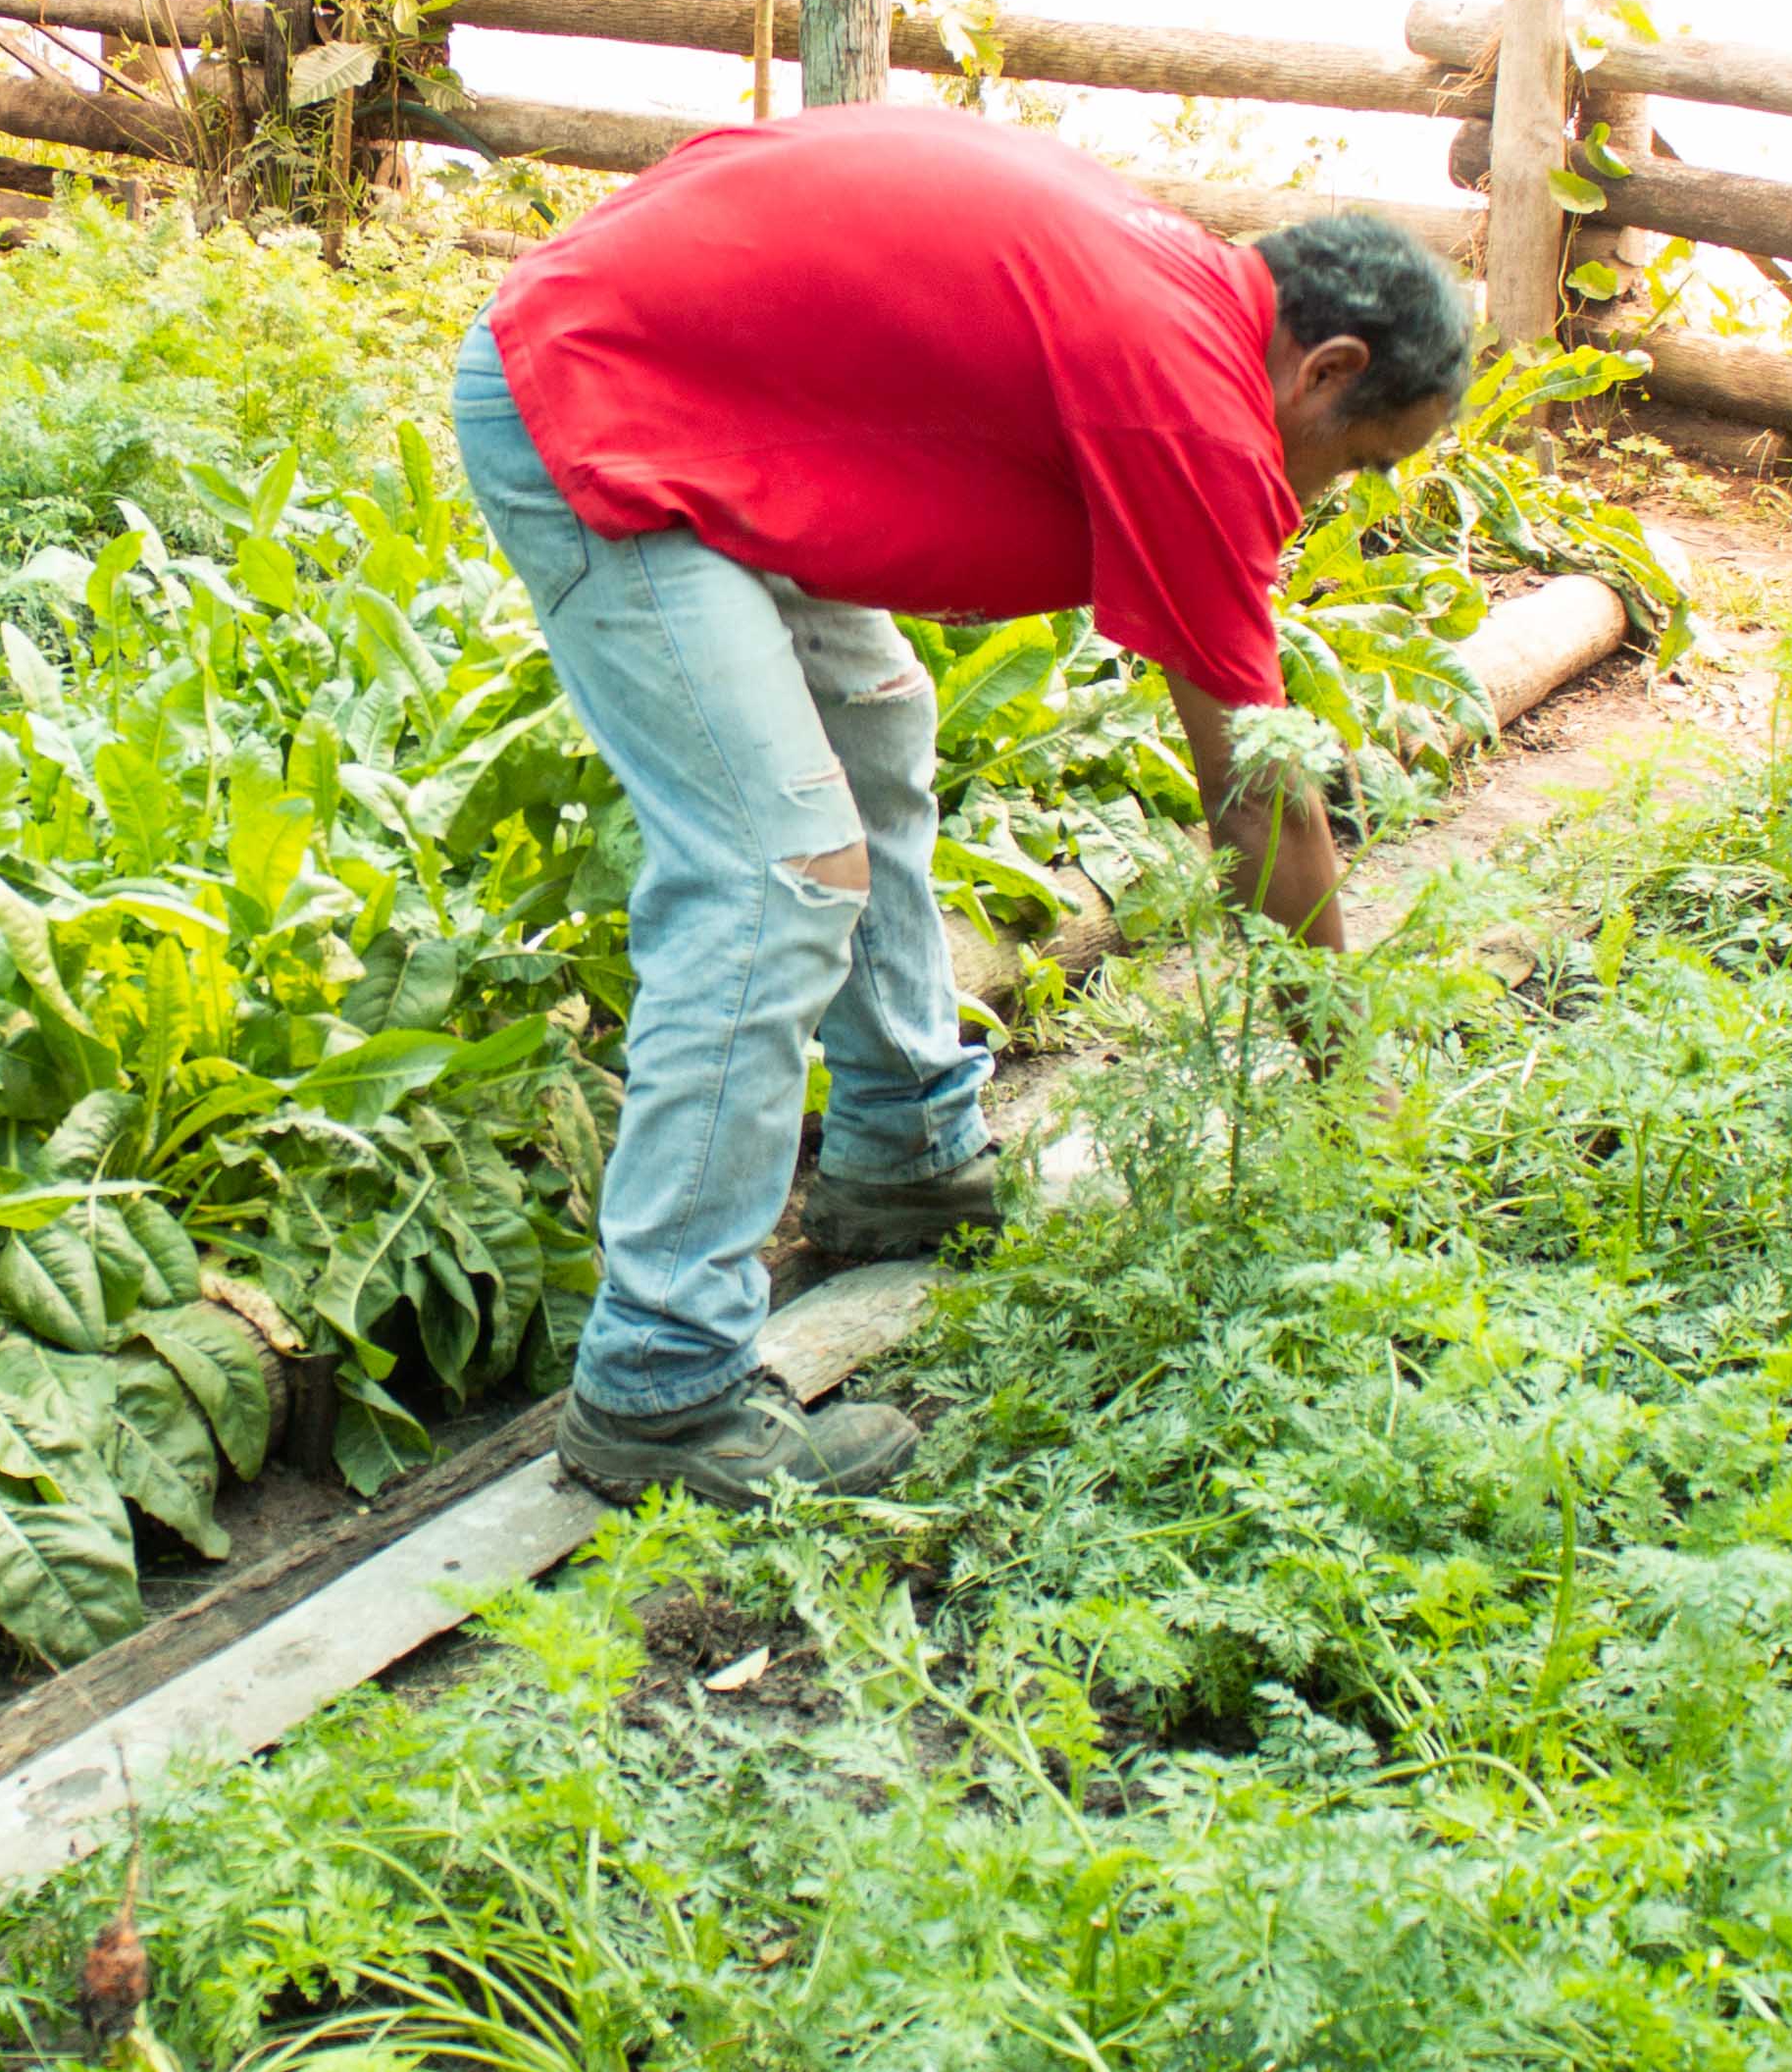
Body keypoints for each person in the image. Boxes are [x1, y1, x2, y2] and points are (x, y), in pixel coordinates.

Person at [451, 102, 1471, 1508]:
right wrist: (1345, 1094)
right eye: (1356, 461)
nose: (1331, 496)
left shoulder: (1183, 295)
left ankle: (900, 1159)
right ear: (1328, 365)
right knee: (774, 869)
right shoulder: (1189, 397)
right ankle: (661, 1395)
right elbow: (1254, 790)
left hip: (690, 371)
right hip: (595, 401)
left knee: (872, 729)